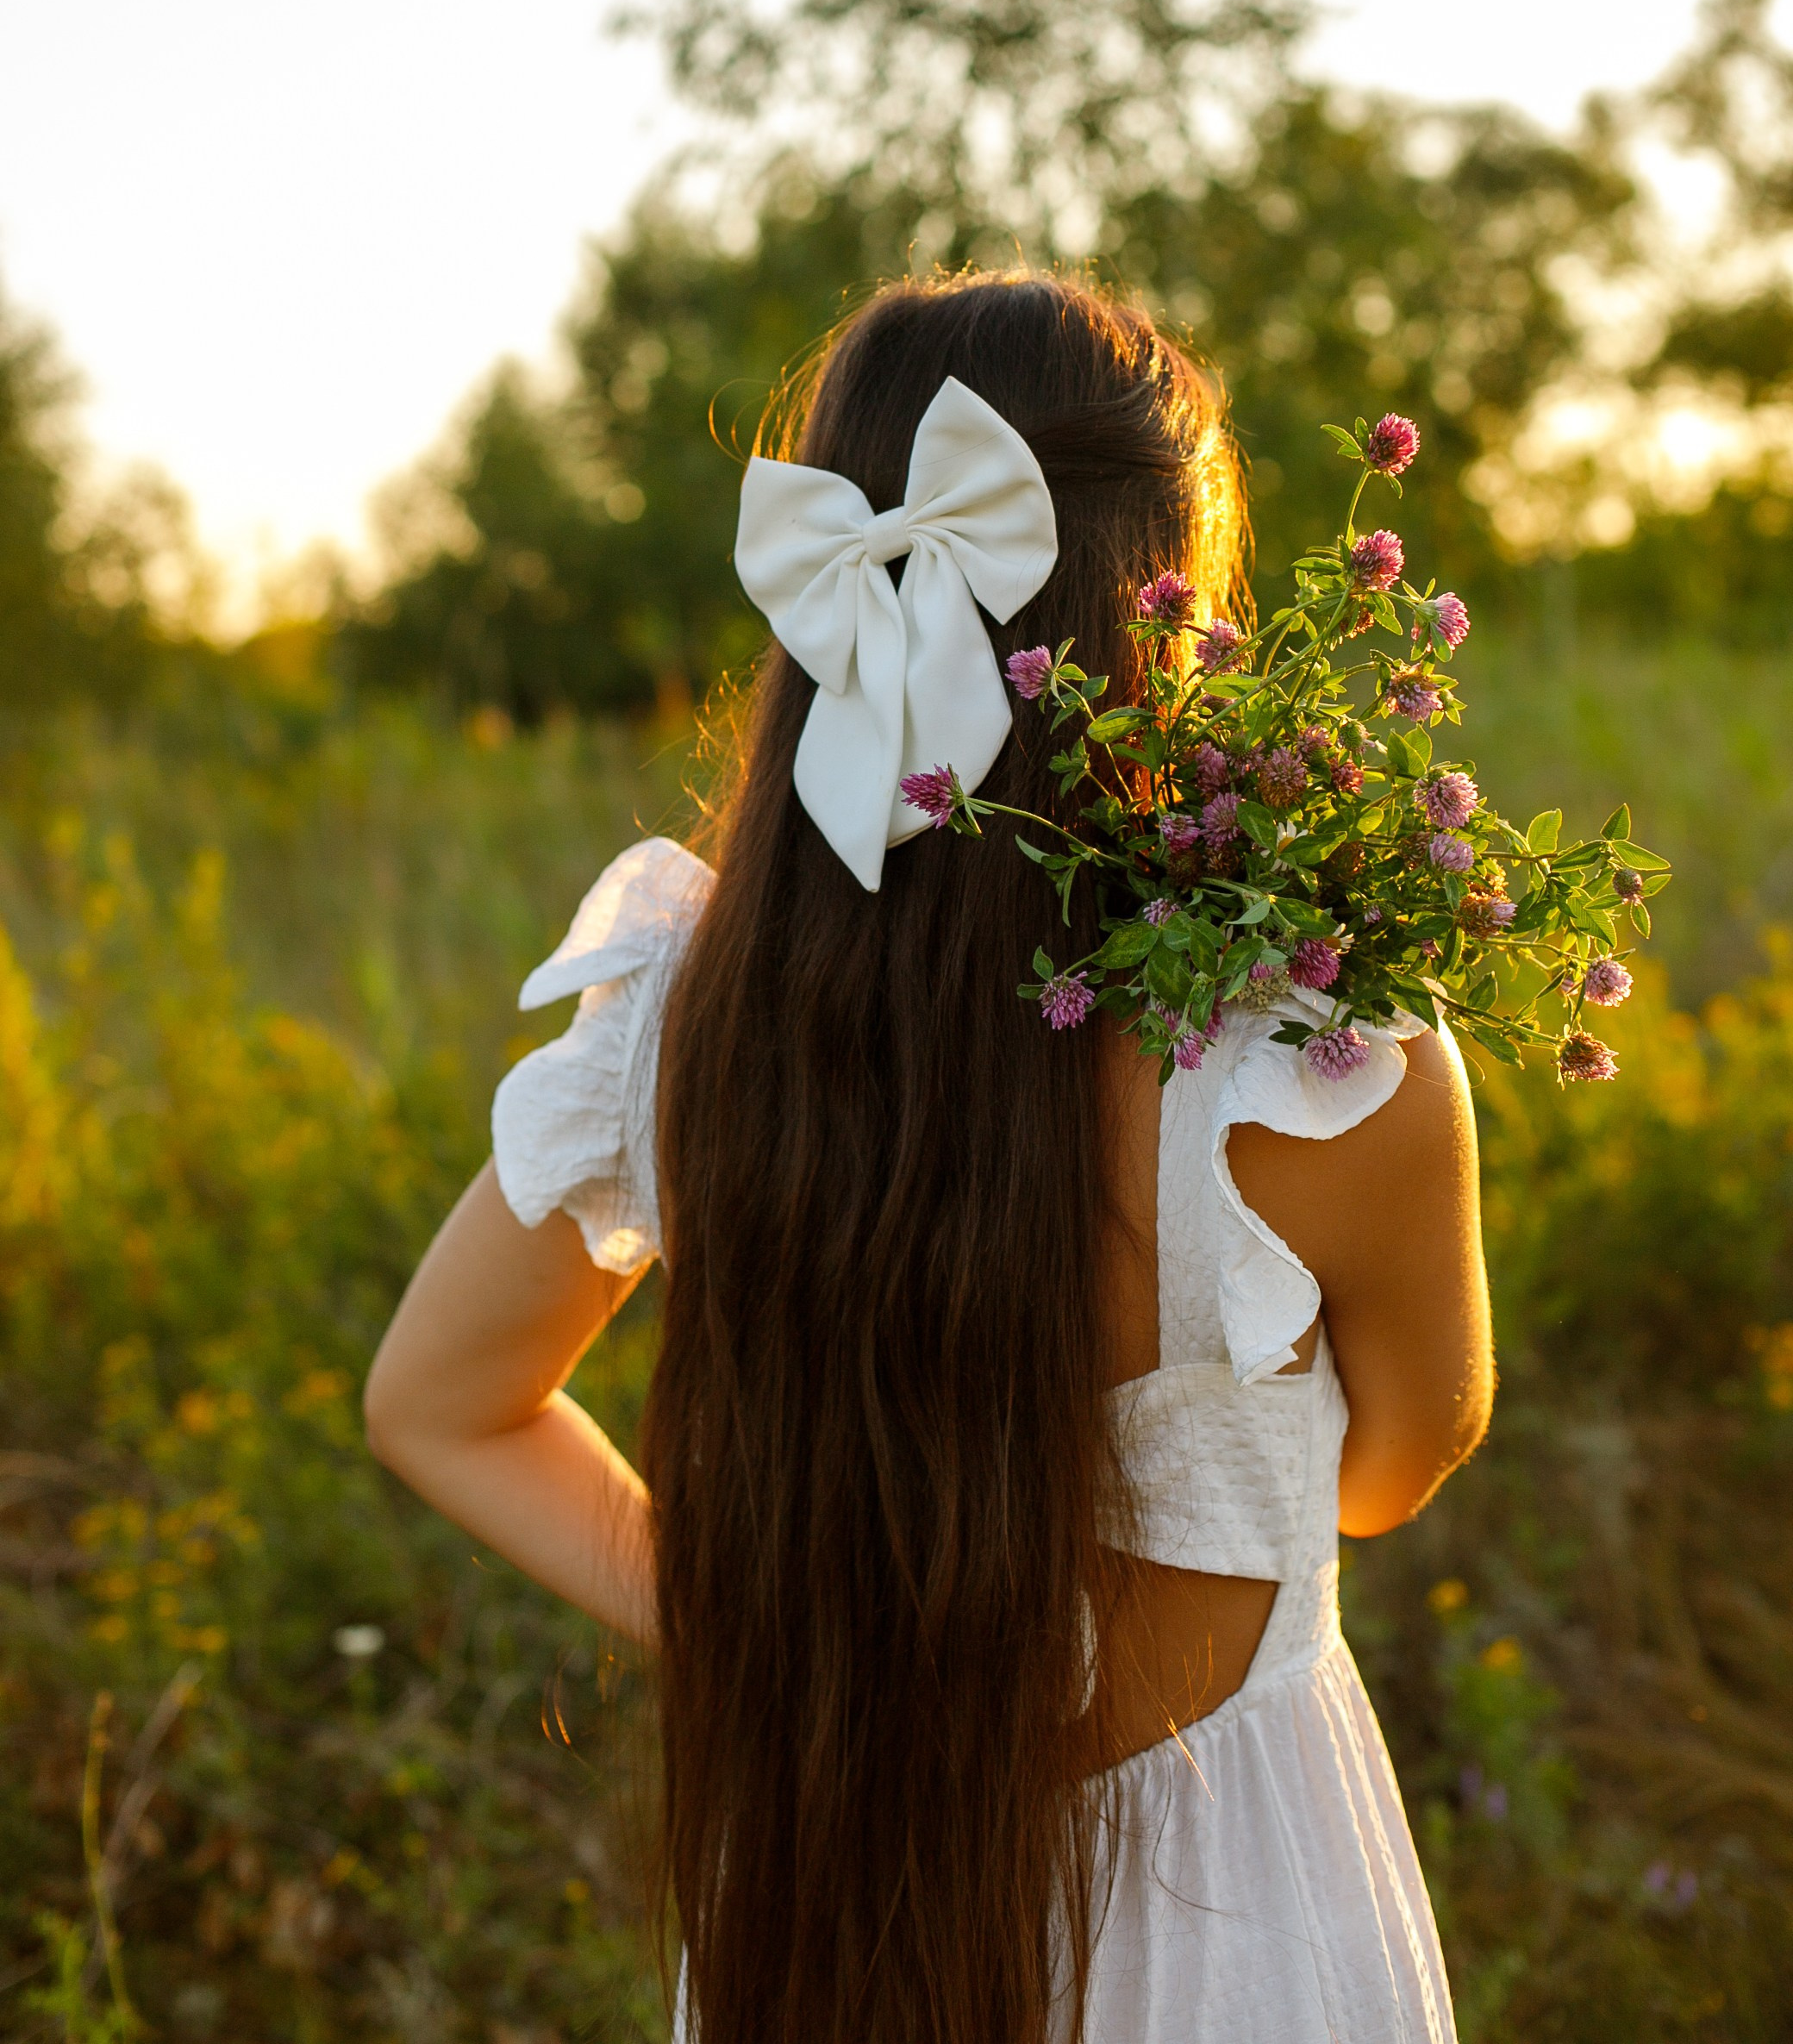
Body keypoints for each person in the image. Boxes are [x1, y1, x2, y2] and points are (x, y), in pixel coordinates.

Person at [365, 271, 1492, 2044]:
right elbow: (1385, 1471)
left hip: (836, 1901)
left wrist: (760, 1624)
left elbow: (440, 1403)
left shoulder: (687, 1021)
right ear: (1171, 615)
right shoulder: (1326, 1070)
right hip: (1249, 1930)